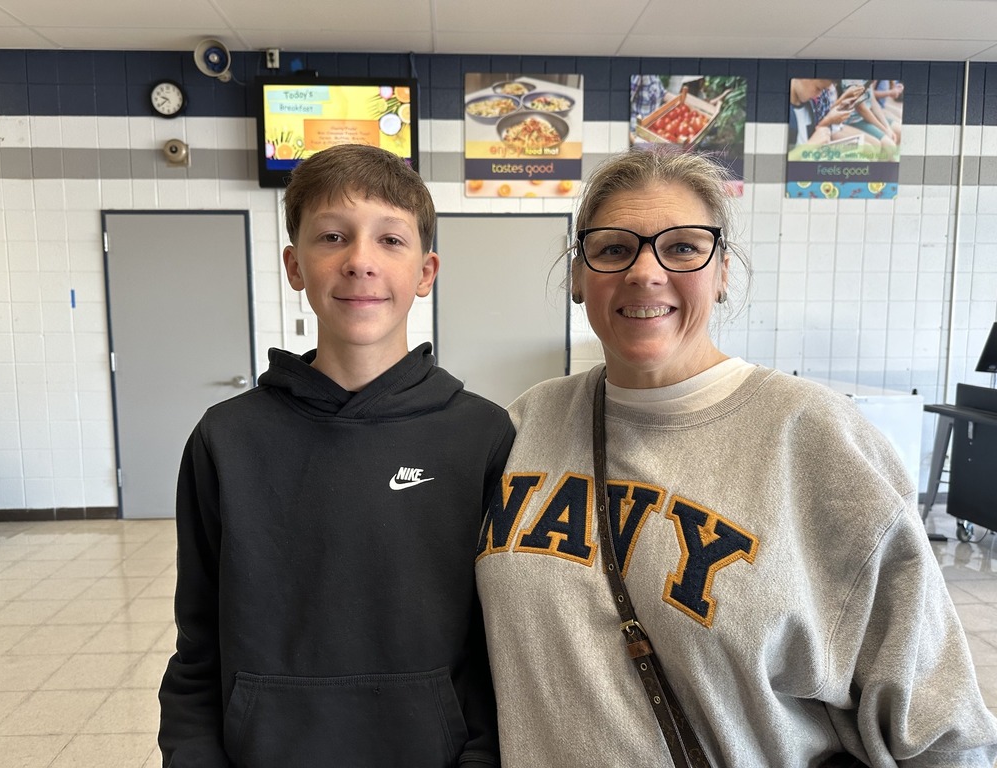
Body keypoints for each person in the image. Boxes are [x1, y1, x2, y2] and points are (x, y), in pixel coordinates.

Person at [475, 146, 997, 766]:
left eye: (683, 247)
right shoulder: (526, 425)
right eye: (614, 248)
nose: (645, 272)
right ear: (577, 275)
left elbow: (940, 733)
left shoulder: (817, 440)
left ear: (722, 272)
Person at [158, 143, 515, 767]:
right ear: (295, 266)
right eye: (332, 237)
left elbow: (500, 650)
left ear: (427, 273)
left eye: (390, 241)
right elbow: (198, 644)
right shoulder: (226, 439)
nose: (359, 262)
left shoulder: (483, 437)